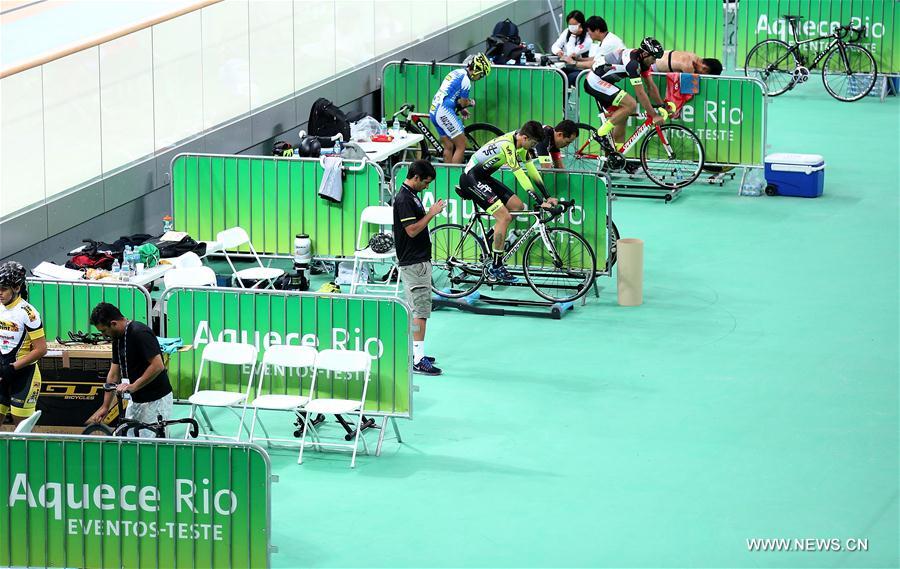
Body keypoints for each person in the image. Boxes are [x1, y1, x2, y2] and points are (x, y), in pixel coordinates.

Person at [459, 121, 558, 283]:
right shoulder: (508, 145)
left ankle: (488, 238)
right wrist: (539, 201)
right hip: (471, 179)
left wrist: (547, 196)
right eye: (532, 143)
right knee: (504, 217)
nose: (532, 147)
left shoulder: (521, 143)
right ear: (525, 137)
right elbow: (520, 174)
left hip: (483, 177)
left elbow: (531, 170)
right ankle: (496, 266)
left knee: (517, 206)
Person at [87, 302, 173, 437]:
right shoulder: (117, 337)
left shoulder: (140, 333)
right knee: (131, 443)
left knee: (151, 447)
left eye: (104, 331)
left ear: (113, 323)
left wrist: (133, 386)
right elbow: (114, 374)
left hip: (156, 400)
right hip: (137, 399)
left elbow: (158, 366)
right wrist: (105, 407)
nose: (103, 335)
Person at [392, 160, 445, 376]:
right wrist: (431, 213)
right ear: (415, 178)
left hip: (417, 261)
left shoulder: (410, 194)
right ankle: (418, 360)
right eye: (425, 182)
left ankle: (416, 353)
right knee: (420, 312)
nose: (427, 187)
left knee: (417, 310)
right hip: (414, 263)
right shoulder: (404, 199)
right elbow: (412, 230)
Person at [584, 37, 675, 151]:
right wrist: (654, 115)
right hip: (594, 81)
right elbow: (640, 93)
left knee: (622, 117)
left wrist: (662, 105)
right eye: (653, 58)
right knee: (631, 104)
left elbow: (651, 87)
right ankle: (600, 134)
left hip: (603, 82)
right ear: (646, 54)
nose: (654, 62)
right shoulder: (633, 64)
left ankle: (616, 157)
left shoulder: (643, 61)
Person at [0, 262, 46, 427]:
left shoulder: (28, 313)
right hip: (3, 373)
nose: (0, 293)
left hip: (24, 376)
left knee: (22, 438)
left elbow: (41, 350)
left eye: (4, 289)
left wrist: (12, 368)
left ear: (17, 288)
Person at [429, 53, 492, 164]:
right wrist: (470, 103)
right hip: (444, 111)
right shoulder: (466, 81)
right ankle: (454, 176)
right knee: (461, 145)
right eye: (481, 75)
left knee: (448, 146)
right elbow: (463, 102)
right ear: (476, 70)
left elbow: (452, 95)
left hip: (434, 110)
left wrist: (461, 108)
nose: (480, 78)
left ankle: (447, 177)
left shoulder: (455, 72)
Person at [560, 16, 625, 84]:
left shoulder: (609, 43)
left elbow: (595, 64)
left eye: (588, 31)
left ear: (597, 30)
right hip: (607, 72)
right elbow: (598, 59)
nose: (588, 33)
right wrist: (579, 59)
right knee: (566, 70)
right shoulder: (606, 38)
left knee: (571, 77)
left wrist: (574, 63)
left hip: (614, 75)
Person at [652, 51, 723, 75]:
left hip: (654, 55)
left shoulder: (693, 55)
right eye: (706, 72)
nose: (701, 73)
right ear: (705, 68)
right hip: (651, 65)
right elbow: (689, 90)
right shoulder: (689, 67)